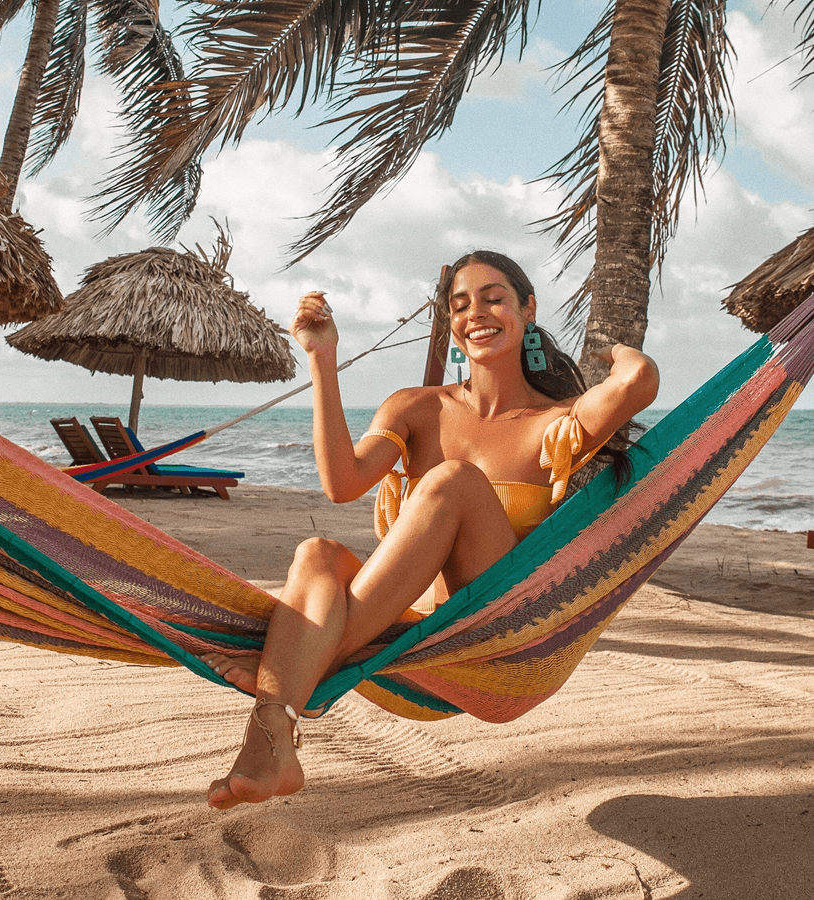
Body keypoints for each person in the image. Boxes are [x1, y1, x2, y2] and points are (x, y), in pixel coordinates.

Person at [200, 250, 659, 809]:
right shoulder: (415, 408)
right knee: (317, 553)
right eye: (460, 305)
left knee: (453, 481)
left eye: (494, 298)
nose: (475, 314)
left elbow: (638, 379)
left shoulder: (557, 420)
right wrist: (322, 360)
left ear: (528, 309)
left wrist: (616, 351)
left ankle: (299, 669)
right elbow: (342, 484)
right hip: (422, 632)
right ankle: (271, 740)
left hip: (497, 635)